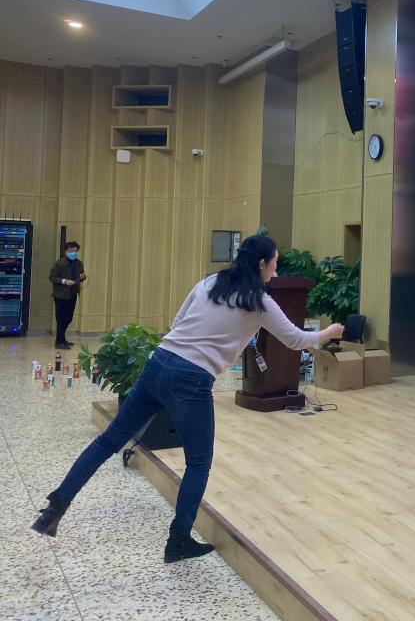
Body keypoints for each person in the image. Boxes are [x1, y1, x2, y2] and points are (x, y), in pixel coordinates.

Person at [31, 235, 344, 563]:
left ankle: (57, 505)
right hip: (192, 380)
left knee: (108, 441)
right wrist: (329, 332)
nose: (276, 271)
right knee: (198, 462)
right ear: (261, 264)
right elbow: (295, 339)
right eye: (274, 263)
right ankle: (178, 540)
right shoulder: (258, 301)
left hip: (159, 362)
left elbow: (178, 323)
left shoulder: (210, 282)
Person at [49, 240, 86, 350]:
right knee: (61, 318)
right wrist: (64, 281)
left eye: (75, 251)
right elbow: (52, 277)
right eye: (71, 251)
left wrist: (82, 277)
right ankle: (59, 341)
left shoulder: (79, 263)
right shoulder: (59, 264)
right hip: (61, 295)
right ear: (66, 251)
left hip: (73, 294)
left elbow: (80, 276)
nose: (73, 253)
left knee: (69, 318)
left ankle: (62, 338)